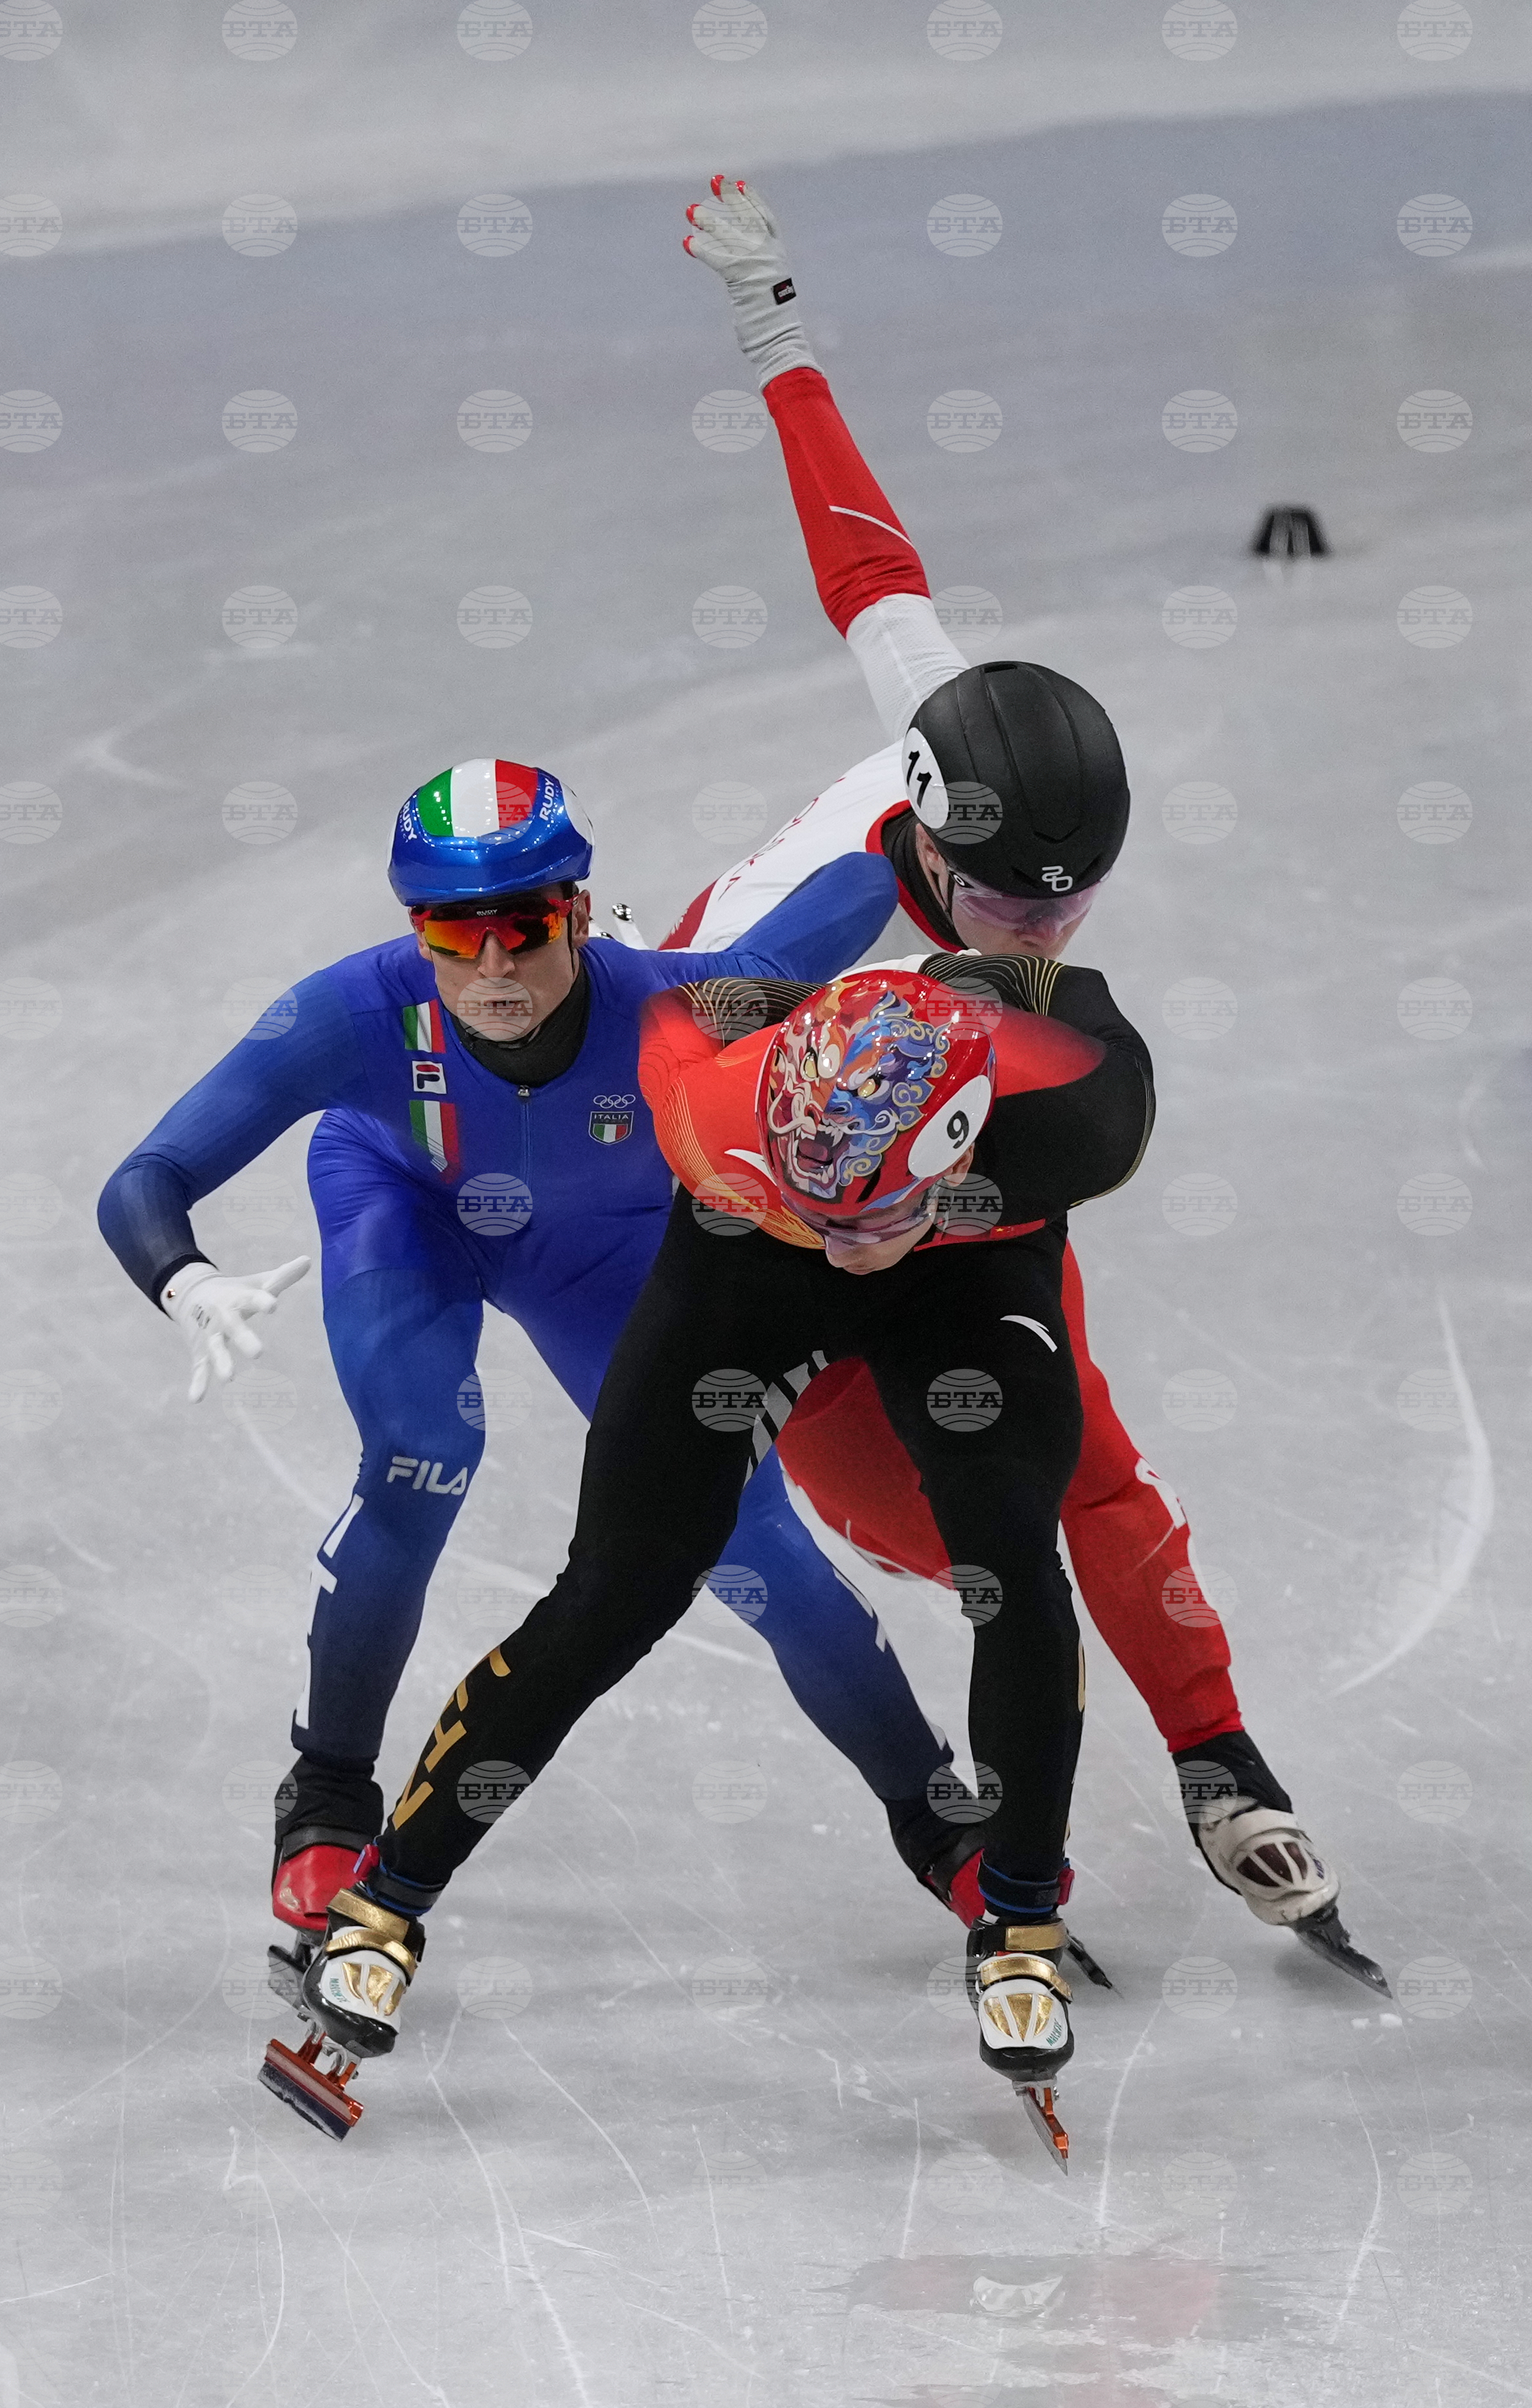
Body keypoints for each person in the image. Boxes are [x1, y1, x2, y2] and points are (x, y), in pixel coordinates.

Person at [669, 177, 1384, 1992]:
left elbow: (864, 558)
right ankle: (992, 1741)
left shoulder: (967, 747)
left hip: (931, 1124)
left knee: (1088, 1452)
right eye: (1004, 899)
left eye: (1069, 900)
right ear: (920, 839)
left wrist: (772, 322)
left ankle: (1221, 1759)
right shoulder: (797, 945)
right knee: (933, 1520)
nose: (1040, 929)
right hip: (760, 1120)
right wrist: (775, 1203)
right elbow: (658, 1076)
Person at [97, 755, 983, 1995]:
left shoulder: (685, 1000)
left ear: (576, 908)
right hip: (404, 1209)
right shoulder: (351, 1014)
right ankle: (331, 1788)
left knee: (747, 1537)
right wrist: (183, 1276)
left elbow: (833, 911)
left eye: (524, 925)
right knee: (421, 1455)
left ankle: (939, 1823)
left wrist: (934, 822)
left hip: (592, 1256)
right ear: (418, 930)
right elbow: (146, 1179)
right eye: (457, 932)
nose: (494, 964)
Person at [272, 952, 1155, 2163]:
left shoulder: (1076, 1124)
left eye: (868, 1215)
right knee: (619, 1585)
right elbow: (688, 994)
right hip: (749, 1238)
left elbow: (1070, 990)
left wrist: (908, 1180)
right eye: (824, 1206)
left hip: (967, 1266)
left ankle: (1021, 1922)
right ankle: (387, 1898)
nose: (845, 1245)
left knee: (1007, 1555)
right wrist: (818, 1206)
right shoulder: (706, 1097)